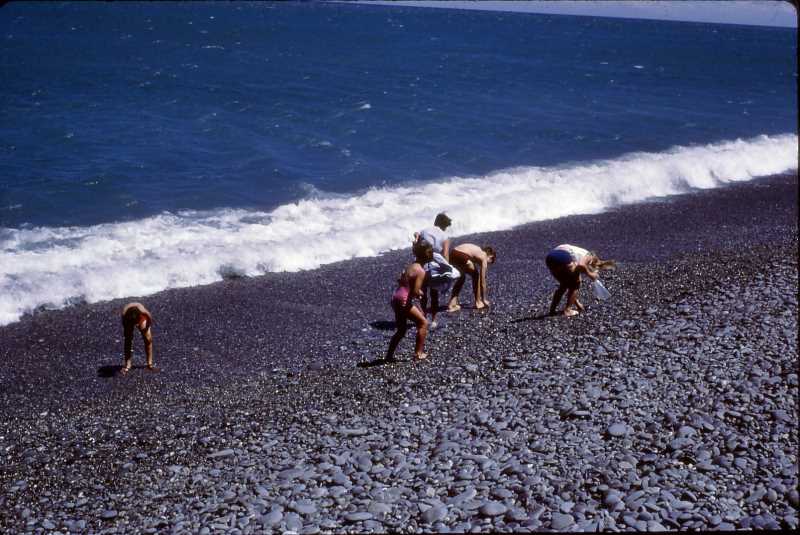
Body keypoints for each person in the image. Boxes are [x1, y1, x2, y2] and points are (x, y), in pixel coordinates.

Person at [386, 241, 432, 361]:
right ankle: (418, 353)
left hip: (395, 297)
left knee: (401, 330)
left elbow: (400, 279)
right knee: (423, 323)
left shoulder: (410, 266)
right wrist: (421, 293)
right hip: (403, 300)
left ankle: (389, 356)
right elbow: (416, 291)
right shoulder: (421, 271)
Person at [545, 244, 615, 317]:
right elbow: (581, 265)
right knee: (575, 285)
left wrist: (577, 304)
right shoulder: (590, 256)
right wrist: (590, 274)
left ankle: (552, 310)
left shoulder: (577, 254)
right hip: (564, 260)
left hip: (550, 259)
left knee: (563, 285)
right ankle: (568, 310)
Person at [413, 212, 457, 327]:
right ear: (444, 225)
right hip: (435, 267)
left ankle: (423, 317)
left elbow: (417, 247)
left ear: (436, 221)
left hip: (422, 264)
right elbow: (445, 254)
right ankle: (433, 319)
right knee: (434, 293)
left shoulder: (424, 231)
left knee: (423, 293)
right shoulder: (445, 237)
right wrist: (447, 270)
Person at [447, 244, 496, 311]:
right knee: (476, 276)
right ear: (491, 256)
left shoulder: (478, 251)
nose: (487, 264)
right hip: (462, 255)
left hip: (453, 253)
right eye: (489, 262)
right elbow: (483, 282)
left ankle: (452, 304)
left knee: (462, 278)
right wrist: (484, 299)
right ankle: (478, 302)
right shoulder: (484, 256)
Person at [121, 302, 155, 374]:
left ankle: (149, 363)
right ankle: (128, 364)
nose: (136, 325)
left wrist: (146, 327)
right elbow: (124, 325)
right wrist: (127, 333)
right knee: (128, 340)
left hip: (141, 318)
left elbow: (149, 318)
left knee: (148, 340)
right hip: (128, 319)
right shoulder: (125, 314)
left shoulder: (143, 311)